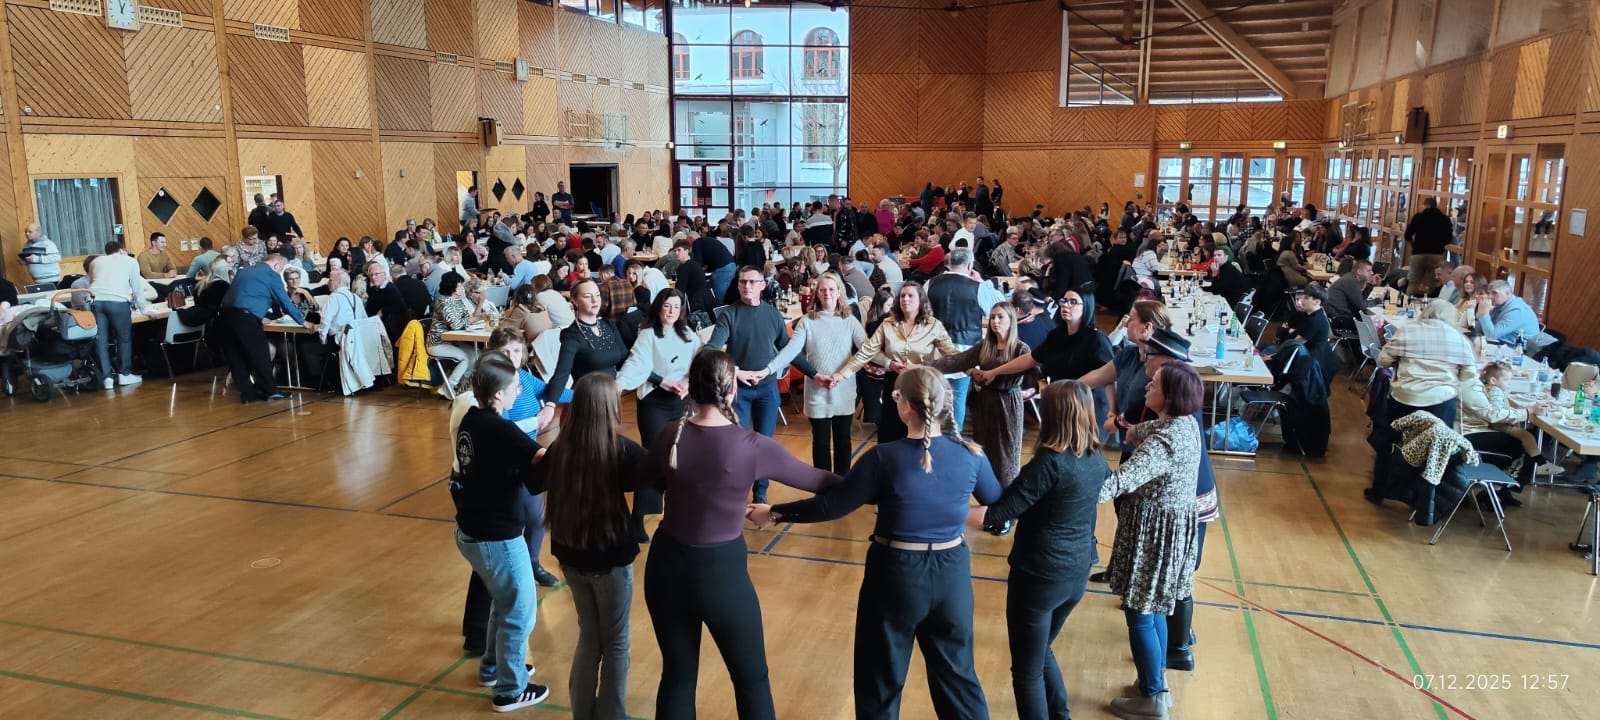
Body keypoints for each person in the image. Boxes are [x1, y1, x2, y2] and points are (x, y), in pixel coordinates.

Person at [749, 367, 1000, 719]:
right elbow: (997, 505)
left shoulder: (885, 457)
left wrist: (775, 512)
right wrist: (953, 513)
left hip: (897, 574)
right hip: (952, 574)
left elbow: (832, 506)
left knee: (880, 680)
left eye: (896, 397)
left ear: (906, 407)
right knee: (958, 679)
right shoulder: (972, 453)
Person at [644, 351, 840, 720]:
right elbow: (822, 482)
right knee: (751, 680)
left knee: (678, 677)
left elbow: (646, 478)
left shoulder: (671, 435)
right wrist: (879, 482)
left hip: (666, 566)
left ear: (692, 387)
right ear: (732, 389)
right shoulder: (751, 446)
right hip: (720, 575)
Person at [970, 380, 1107, 720]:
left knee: (1026, 671)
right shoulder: (1095, 459)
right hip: (1075, 574)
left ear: (1052, 415)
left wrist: (941, 510)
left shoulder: (1048, 463)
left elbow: (997, 515)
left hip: (1039, 577)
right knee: (1041, 651)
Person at [523, 372, 645, 720]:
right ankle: (612, 715)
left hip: (571, 556)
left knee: (590, 637)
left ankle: (583, 713)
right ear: (609, 409)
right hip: (611, 559)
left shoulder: (560, 448)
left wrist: (536, 454)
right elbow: (656, 475)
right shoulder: (621, 449)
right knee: (616, 642)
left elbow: (532, 482)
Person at [1098, 362, 1205, 719]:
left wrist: (1075, 488)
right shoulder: (1184, 425)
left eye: (1154, 384)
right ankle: (1155, 683)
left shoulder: (1163, 443)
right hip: (1170, 530)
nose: (1147, 386)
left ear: (1170, 397)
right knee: (1154, 606)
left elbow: (1118, 483)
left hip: (1154, 536)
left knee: (1140, 612)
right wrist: (1129, 430)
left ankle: (1153, 696)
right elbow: (1145, 430)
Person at [448, 354, 553, 713]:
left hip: (471, 530)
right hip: (497, 537)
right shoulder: (500, 430)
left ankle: (494, 667)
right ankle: (510, 690)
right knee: (520, 611)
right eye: (515, 387)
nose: (519, 391)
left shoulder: (471, 419)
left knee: (503, 601)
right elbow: (542, 459)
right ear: (498, 394)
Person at [1368, 299, 1478, 503]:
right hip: (1441, 401)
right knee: (1434, 448)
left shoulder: (1408, 331)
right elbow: (1469, 374)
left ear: (1426, 312)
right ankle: (1423, 500)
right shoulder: (1459, 338)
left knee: (1391, 442)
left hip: (1405, 397)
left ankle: (1379, 489)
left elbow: (1383, 360)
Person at [616, 289, 703, 542]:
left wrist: (688, 381)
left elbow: (699, 363)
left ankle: (677, 514)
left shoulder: (688, 334)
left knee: (679, 459)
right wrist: (659, 380)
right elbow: (636, 364)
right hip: (654, 403)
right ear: (659, 307)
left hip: (680, 402)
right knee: (653, 458)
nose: (672, 311)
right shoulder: (647, 334)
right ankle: (637, 518)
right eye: (667, 306)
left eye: (676, 306)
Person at [827, 282, 959, 444]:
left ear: (921, 300)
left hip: (922, 385)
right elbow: (866, 352)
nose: (905, 299)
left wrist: (972, 370)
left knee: (919, 436)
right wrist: (841, 374)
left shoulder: (934, 325)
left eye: (910, 296)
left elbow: (952, 356)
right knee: (889, 435)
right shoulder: (888, 323)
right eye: (902, 296)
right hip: (894, 384)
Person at [706, 266, 794, 504]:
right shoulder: (729, 314)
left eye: (752, 282)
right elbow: (711, 350)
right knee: (738, 445)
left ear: (763, 285)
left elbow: (789, 350)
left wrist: (815, 374)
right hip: (739, 390)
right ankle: (736, 492)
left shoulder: (772, 314)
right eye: (743, 282)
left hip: (767, 389)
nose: (747, 286)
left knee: (764, 444)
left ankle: (761, 493)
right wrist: (737, 371)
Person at [765, 273, 868, 475]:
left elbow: (867, 350)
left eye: (831, 289)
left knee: (843, 440)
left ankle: (842, 483)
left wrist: (889, 363)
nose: (827, 293)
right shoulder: (807, 321)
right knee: (820, 442)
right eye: (823, 290)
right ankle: (823, 486)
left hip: (843, 390)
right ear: (817, 293)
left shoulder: (849, 320)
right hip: (817, 391)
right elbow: (790, 350)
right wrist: (768, 369)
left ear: (839, 292)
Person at [971, 289, 1114, 432]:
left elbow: (1110, 377)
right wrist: (994, 372)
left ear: (1087, 307)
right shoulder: (1057, 335)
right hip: (1061, 404)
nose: (1066, 305)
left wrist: (1113, 411)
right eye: (1064, 301)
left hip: (1089, 409)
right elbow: (1030, 358)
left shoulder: (1097, 339)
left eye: (1073, 302)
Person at [930, 302, 1038, 486]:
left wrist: (1031, 388)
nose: (995, 321)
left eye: (1000, 317)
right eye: (992, 317)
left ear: (1011, 320)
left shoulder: (1021, 348)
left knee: (1006, 454)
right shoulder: (985, 346)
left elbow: (1033, 372)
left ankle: (1007, 495)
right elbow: (956, 361)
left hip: (1008, 404)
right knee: (982, 449)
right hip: (985, 402)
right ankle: (986, 491)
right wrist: (926, 366)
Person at [925, 248, 1006, 430]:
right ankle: (955, 436)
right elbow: (1001, 306)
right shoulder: (977, 287)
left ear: (948, 263)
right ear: (970, 265)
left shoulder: (930, 283)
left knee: (933, 396)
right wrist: (982, 281)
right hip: (964, 348)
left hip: (934, 346)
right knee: (958, 397)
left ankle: (931, 434)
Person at [220, 253, 309, 402]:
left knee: (236, 357)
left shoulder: (243, 271)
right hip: (245, 318)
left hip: (224, 316)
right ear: (276, 265)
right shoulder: (271, 275)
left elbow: (242, 294)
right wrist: (302, 321)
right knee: (260, 354)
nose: (279, 272)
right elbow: (285, 302)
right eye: (280, 268)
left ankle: (248, 394)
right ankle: (270, 390)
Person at [1461, 363, 1548, 497]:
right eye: (1507, 380)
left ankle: (1503, 490)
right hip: (1470, 432)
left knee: (1524, 439)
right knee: (1523, 442)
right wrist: (1527, 411)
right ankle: (1499, 490)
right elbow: (1494, 415)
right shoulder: (1481, 388)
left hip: (1475, 428)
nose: (1509, 383)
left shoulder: (1477, 384)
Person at [543, 279, 628, 405]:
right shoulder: (572, 335)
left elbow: (627, 358)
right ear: (575, 301)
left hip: (612, 396)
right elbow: (562, 373)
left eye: (597, 295)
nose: (595, 300)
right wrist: (550, 404)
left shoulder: (608, 324)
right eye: (588, 296)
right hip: (588, 399)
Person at [87, 241, 149, 389]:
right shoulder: (130, 261)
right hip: (117, 301)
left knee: (101, 340)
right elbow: (136, 287)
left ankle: (107, 378)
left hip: (96, 301)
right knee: (124, 339)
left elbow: (92, 281)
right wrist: (143, 308)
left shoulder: (95, 261)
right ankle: (124, 374)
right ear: (121, 250)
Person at [427, 273, 484, 396]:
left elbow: (468, 318)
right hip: (438, 343)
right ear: (452, 287)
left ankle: (462, 386)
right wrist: (477, 318)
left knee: (477, 354)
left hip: (452, 341)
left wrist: (478, 315)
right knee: (465, 358)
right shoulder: (443, 302)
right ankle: (448, 387)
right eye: (460, 286)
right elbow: (456, 325)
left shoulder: (457, 300)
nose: (463, 288)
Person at [1403, 197, 1453, 295]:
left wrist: (1414, 245)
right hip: (1436, 255)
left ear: (1426, 205)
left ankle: (1408, 301)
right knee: (1434, 283)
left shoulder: (1418, 217)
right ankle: (1430, 300)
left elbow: (1407, 235)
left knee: (1413, 282)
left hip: (1418, 254)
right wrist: (1440, 244)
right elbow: (1449, 238)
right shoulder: (1445, 219)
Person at [1472, 279, 1543, 346]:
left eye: (1494, 293)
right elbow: (1479, 329)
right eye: (1489, 293)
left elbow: (1491, 336)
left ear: (1508, 293)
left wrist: (1484, 313)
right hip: (1500, 343)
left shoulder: (1517, 311)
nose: (1490, 297)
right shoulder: (1498, 304)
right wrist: (1479, 312)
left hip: (1518, 349)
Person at [363, 260, 409, 344]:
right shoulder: (373, 290)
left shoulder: (391, 289)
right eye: (371, 275)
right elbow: (370, 310)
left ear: (384, 274)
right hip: (378, 329)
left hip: (394, 333)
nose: (373, 277)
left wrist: (382, 312)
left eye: (376, 274)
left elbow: (398, 310)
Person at [1325, 258, 1375, 332]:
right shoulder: (1350, 282)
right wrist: (1376, 302)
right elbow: (1362, 306)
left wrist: (1370, 284)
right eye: (1368, 271)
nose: (1372, 273)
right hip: (1338, 319)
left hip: (1335, 316)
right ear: (1359, 271)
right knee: (1373, 325)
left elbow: (1360, 300)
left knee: (1369, 321)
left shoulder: (1350, 278)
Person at [693, 229, 737, 302]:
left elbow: (698, 264)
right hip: (731, 265)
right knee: (725, 294)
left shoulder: (696, 242)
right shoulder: (707, 241)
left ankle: (718, 309)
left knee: (718, 296)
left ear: (690, 239)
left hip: (723, 269)